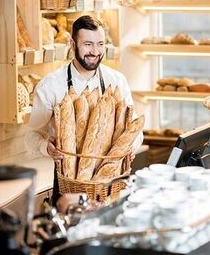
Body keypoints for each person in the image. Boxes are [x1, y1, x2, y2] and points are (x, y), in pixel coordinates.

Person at [25, 15, 143, 205]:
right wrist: (46, 148)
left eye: (100, 44)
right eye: (88, 44)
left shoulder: (117, 81)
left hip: (110, 183)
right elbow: (30, 137)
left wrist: (131, 147)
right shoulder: (51, 85)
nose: (95, 51)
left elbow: (135, 131)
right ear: (72, 44)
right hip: (69, 186)